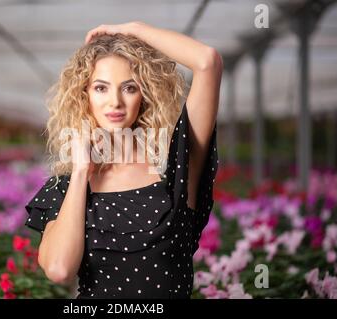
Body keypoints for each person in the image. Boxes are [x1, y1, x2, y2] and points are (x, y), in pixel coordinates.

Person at [25, 21, 223, 299]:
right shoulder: (66, 188)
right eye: (101, 88)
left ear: (144, 94)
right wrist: (81, 172)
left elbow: (207, 62)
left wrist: (133, 29)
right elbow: (59, 269)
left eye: (129, 87)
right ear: (85, 96)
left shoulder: (176, 166)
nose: (115, 101)